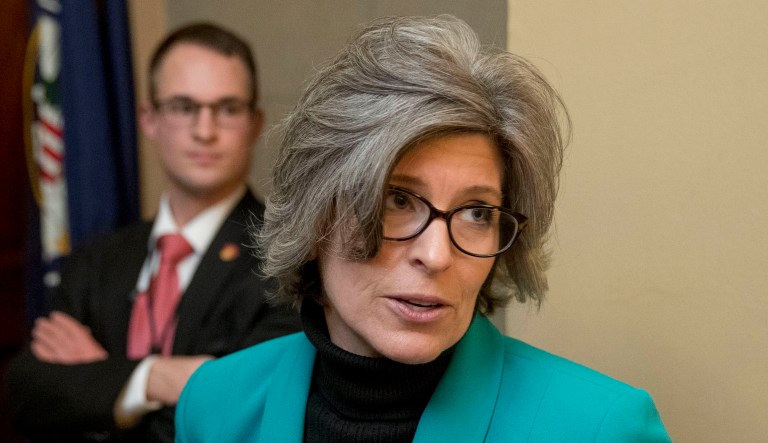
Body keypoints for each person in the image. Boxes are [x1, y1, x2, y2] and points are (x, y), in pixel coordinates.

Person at [175, 15, 671, 442]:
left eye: (478, 212)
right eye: (397, 200)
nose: (436, 255)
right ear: (315, 215)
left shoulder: (601, 427)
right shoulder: (216, 402)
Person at [7, 22, 300, 442]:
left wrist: (105, 381)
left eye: (228, 108)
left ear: (255, 123)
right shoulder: (99, 258)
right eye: (183, 107)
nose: (205, 131)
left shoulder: (287, 263)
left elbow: (246, 416)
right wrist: (153, 379)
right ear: (149, 118)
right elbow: (26, 397)